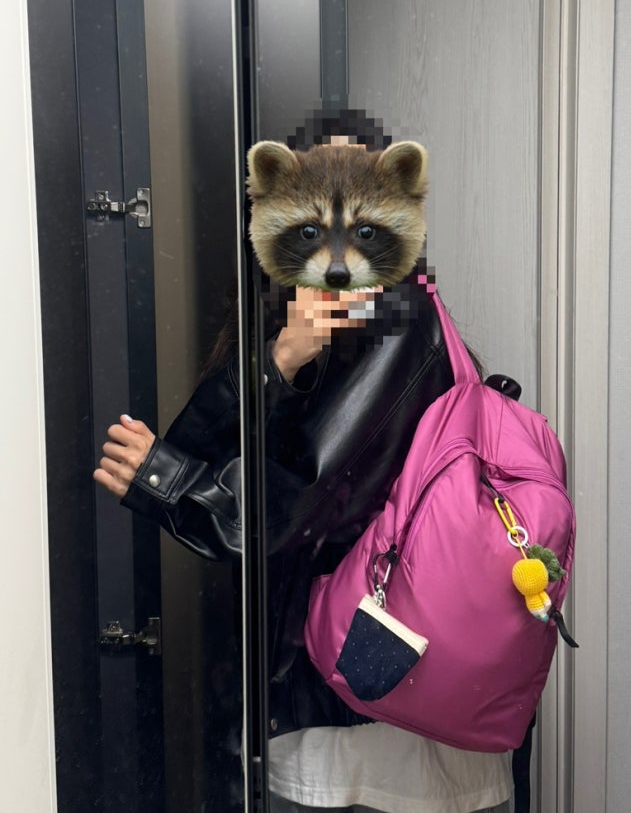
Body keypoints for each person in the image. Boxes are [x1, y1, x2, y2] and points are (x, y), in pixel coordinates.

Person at [94, 116, 513, 813]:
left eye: (365, 230)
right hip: (350, 699)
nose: (338, 259)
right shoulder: (308, 327)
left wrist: (165, 479)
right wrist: (280, 359)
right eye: (312, 230)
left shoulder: (397, 327)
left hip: (372, 720)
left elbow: (287, 516)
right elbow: (209, 450)